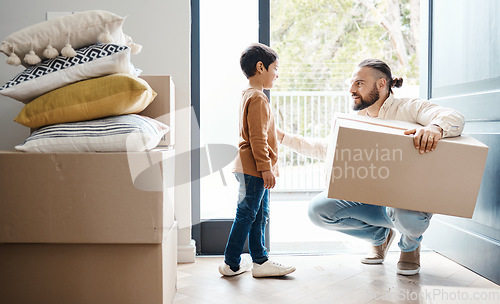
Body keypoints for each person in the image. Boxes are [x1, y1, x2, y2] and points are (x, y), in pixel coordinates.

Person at [277, 59, 465, 276]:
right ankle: (380, 236)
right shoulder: (356, 120)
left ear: (381, 84)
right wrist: (282, 138)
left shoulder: (409, 108)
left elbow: (454, 117)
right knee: (318, 211)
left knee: (409, 221)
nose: (351, 90)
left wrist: (435, 127)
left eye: (359, 83)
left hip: (405, 199)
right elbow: (323, 149)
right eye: (352, 83)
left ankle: (410, 246)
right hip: (371, 198)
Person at [218, 43, 296, 278]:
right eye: (275, 68)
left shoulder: (248, 95)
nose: (277, 73)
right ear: (260, 67)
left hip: (249, 168)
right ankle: (231, 263)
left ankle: (259, 261)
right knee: (247, 214)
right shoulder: (259, 99)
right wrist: (266, 169)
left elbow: (261, 133)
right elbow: (257, 138)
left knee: (258, 214)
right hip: (254, 169)